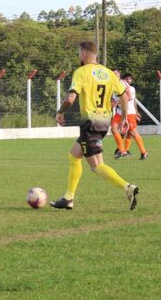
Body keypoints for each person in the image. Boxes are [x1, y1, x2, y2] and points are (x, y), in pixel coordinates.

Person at [52, 41, 140, 210]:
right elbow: (125, 97)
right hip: (104, 123)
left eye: (79, 53)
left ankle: (127, 187)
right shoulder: (109, 73)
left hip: (90, 123)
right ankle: (68, 198)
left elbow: (70, 99)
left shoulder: (81, 72)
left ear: (84, 54)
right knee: (74, 155)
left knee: (97, 166)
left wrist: (60, 112)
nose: (79, 56)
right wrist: (123, 119)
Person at [113, 73, 148, 160]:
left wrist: (136, 112)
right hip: (119, 112)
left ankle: (143, 152)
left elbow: (129, 99)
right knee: (114, 129)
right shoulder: (114, 84)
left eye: (116, 73)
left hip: (128, 112)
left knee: (132, 132)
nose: (129, 80)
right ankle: (122, 150)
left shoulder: (126, 86)